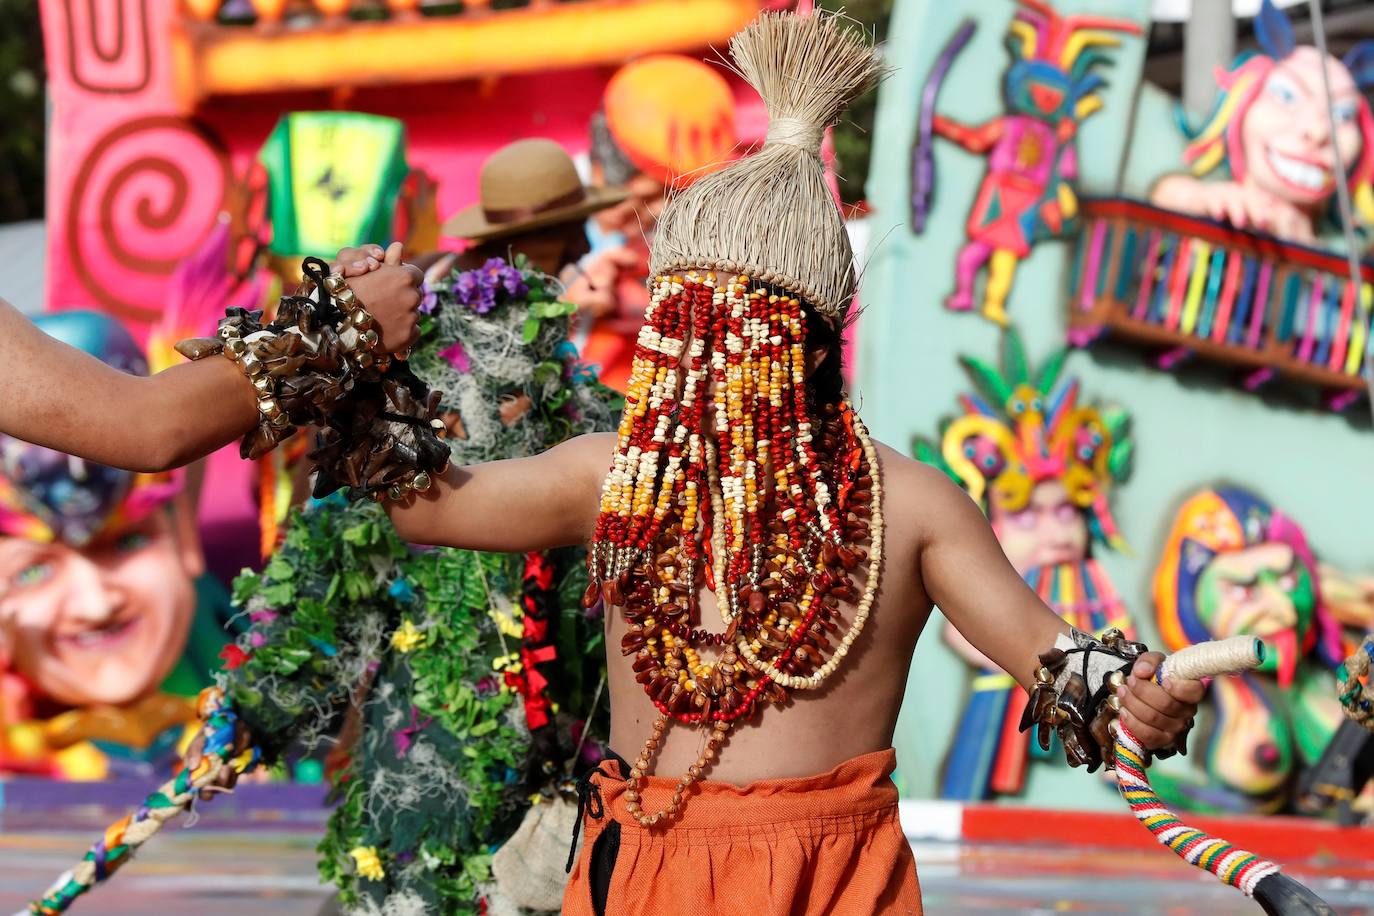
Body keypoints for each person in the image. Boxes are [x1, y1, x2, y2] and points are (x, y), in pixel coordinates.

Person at [3, 15, 1198, 916]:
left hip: (829, 879)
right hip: (648, 864)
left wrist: (1138, 690)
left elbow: (1066, 668)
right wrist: (358, 366)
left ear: (788, 339)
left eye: (725, 327)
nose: (704, 353)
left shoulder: (905, 503)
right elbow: (420, 503)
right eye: (692, 326)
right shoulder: (615, 469)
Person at [0, 311, 232, 780]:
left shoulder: (295, 717)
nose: (97, 602)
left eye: (127, 542)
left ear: (183, 531)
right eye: (33, 572)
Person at [914, 330, 1139, 800]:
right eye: (1025, 516)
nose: (1055, 535)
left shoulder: (1088, 586)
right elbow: (962, 635)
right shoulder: (974, 574)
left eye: (1065, 513)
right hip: (1002, 705)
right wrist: (1025, 657)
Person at [1149, 0, 1374, 246]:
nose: (1318, 132)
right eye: (1286, 96)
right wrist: (1190, 196)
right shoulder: (1201, 188)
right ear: (1241, 103)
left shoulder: (1355, 243)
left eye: (1342, 115)